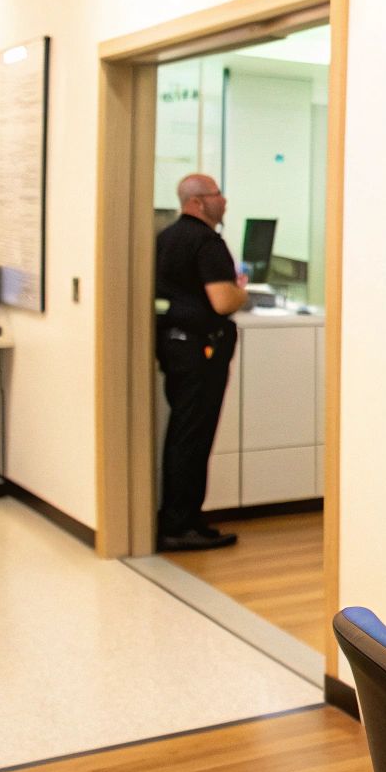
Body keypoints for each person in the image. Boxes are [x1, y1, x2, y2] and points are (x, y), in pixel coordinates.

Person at [154, 174, 248, 552]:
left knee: (183, 436)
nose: (223, 200)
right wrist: (241, 290)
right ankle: (181, 524)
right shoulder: (206, 241)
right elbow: (223, 302)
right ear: (196, 202)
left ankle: (184, 518)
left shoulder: (167, 237)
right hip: (200, 353)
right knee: (193, 438)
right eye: (216, 194)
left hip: (175, 348)